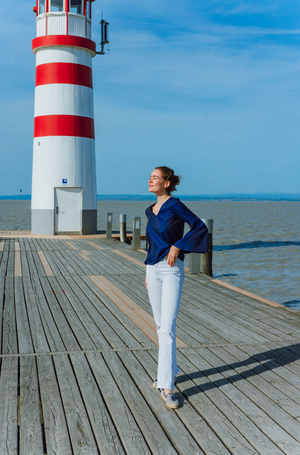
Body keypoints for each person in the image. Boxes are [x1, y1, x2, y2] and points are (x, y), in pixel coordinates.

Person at [145, 166, 208, 409]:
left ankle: (167, 387)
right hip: (153, 269)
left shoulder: (175, 205)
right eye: (150, 177)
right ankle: (166, 371)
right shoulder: (150, 211)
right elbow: (152, 243)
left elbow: (199, 226)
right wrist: (147, 270)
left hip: (171, 270)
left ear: (167, 183)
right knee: (160, 326)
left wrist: (179, 245)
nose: (150, 180)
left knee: (168, 328)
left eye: (155, 177)